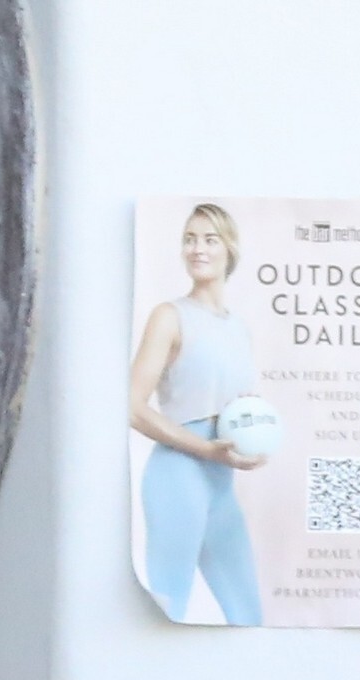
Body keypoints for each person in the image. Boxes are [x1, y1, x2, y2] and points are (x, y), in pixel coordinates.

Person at [127, 202, 266, 625]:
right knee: (168, 609)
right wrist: (206, 450)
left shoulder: (239, 329)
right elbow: (131, 406)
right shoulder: (169, 317)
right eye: (189, 239)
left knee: (249, 617)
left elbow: (237, 407)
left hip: (221, 485)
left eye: (209, 239)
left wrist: (256, 437)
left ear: (229, 249)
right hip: (177, 477)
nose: (197, 249)